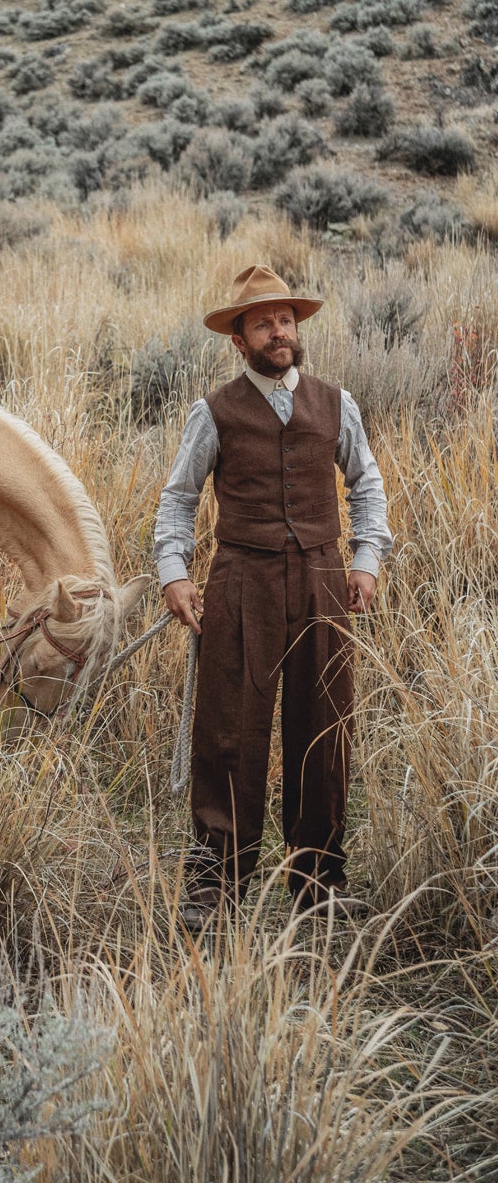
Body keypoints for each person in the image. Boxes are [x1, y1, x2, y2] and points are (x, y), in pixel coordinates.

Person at [153, 265, 392, 928]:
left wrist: (366, 559)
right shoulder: (215, 412)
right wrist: (174, 571)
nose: (278, 330)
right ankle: (216, 883)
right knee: (229, 729)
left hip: (322, 577)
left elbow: (366, 485)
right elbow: (178, 500)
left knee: (324, 730)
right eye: (262, 322)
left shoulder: (335, 403)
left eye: (285, 318)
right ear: (239, 338)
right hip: (241, 580)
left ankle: (320, 879)